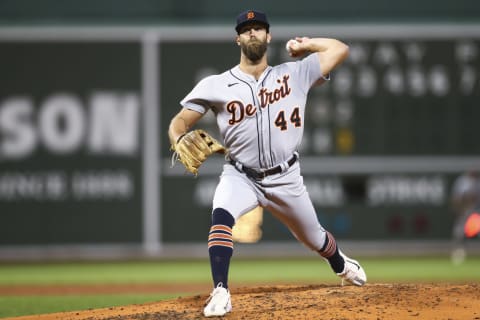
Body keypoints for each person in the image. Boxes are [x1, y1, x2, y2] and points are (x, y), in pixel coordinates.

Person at [168, 9, 367, 317]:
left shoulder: (295, 73)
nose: (252, 33)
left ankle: (340, 263)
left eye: (258, 28)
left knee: (315, 237)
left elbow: (340, 50)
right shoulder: (216, 85)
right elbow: (179, 122)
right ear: (238, 39)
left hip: (286, 177)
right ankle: (220, 290)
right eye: (246, 29)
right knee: (220, 217)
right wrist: (178, 138)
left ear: (268, 36)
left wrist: (308, 44)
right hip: (240, 175)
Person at [450, 170, 480, 264]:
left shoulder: (478, 183)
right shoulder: (462, 181)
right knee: (459, 232)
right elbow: (457, 198)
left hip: (477, 212)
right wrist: (460, 209)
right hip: (464, 212)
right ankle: (459, 253)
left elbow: (474, 198)